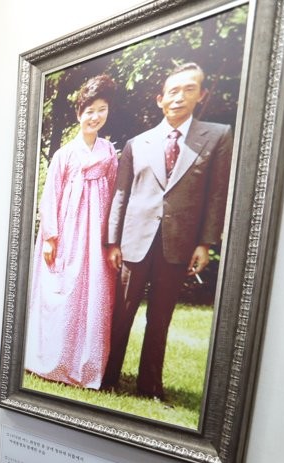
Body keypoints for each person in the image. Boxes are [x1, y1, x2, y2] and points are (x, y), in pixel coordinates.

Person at [102, 62, 233, 400]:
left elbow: (217, 195)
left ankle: (150, 387)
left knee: (160, 318)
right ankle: (107, 377)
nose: (179, 97)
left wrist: (205, 243)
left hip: (179, 243)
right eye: (173, 91)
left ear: (201, 95)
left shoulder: (217, 136)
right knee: (122, 313)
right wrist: (112, 241)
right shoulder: (137, 143)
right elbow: (121, 194)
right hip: (134, 241)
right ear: (161, 99)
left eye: (189, 89)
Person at [24, 75, 118, 388]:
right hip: (68, 233)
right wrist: (50, 237)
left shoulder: (109, 152)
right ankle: (51, 360)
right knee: (61, 292)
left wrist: (111, 237)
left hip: (96, 234)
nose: (96, 116)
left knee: (93, 295)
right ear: (79, 114)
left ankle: (85, 365)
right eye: (90, 110)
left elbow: (116, 193)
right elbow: (50, 197)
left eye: (102, 110)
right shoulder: (65, 154)